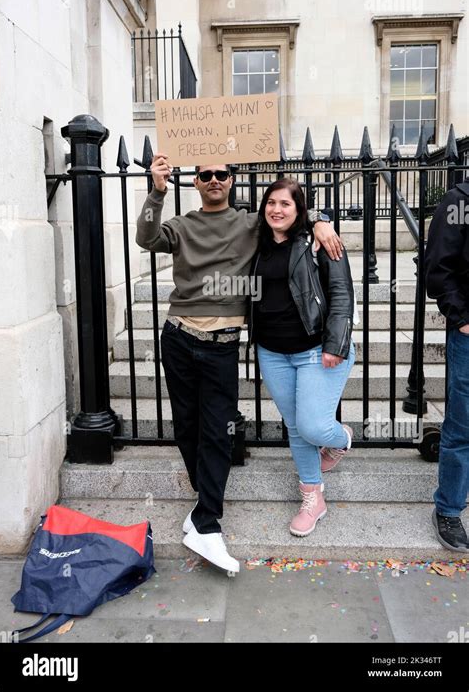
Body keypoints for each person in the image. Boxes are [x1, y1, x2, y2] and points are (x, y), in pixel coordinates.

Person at [136, 156, 344, 572]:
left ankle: (207, 522)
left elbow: (290, 213)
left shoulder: (251, 223)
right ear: (195, 181)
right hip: (178, 336)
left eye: (222, 174)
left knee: (216, 430)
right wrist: (157, 191)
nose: (214, 179)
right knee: (187, 427)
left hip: (222, 344)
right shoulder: (181, 224)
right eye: (205, 174)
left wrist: (321, 220)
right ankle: (204, 503)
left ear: (231, 181)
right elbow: (146, 238)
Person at [249, 178, 355, 537]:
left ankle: (342, 439)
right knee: (296, 427)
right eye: (271, 203)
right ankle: (313, 498)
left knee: (313, 426)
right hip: (272, 351)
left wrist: (335, 344)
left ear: (299, 211)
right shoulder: (256, 242)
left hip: (314, 350)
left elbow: (341, 293)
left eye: (285, 204)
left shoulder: (318, 241)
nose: (276, 210)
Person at [424, 176, 469, 553]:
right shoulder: (459, 201)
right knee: (462, 424)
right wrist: (462, 317)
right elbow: (438, 269)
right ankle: (449, 509)